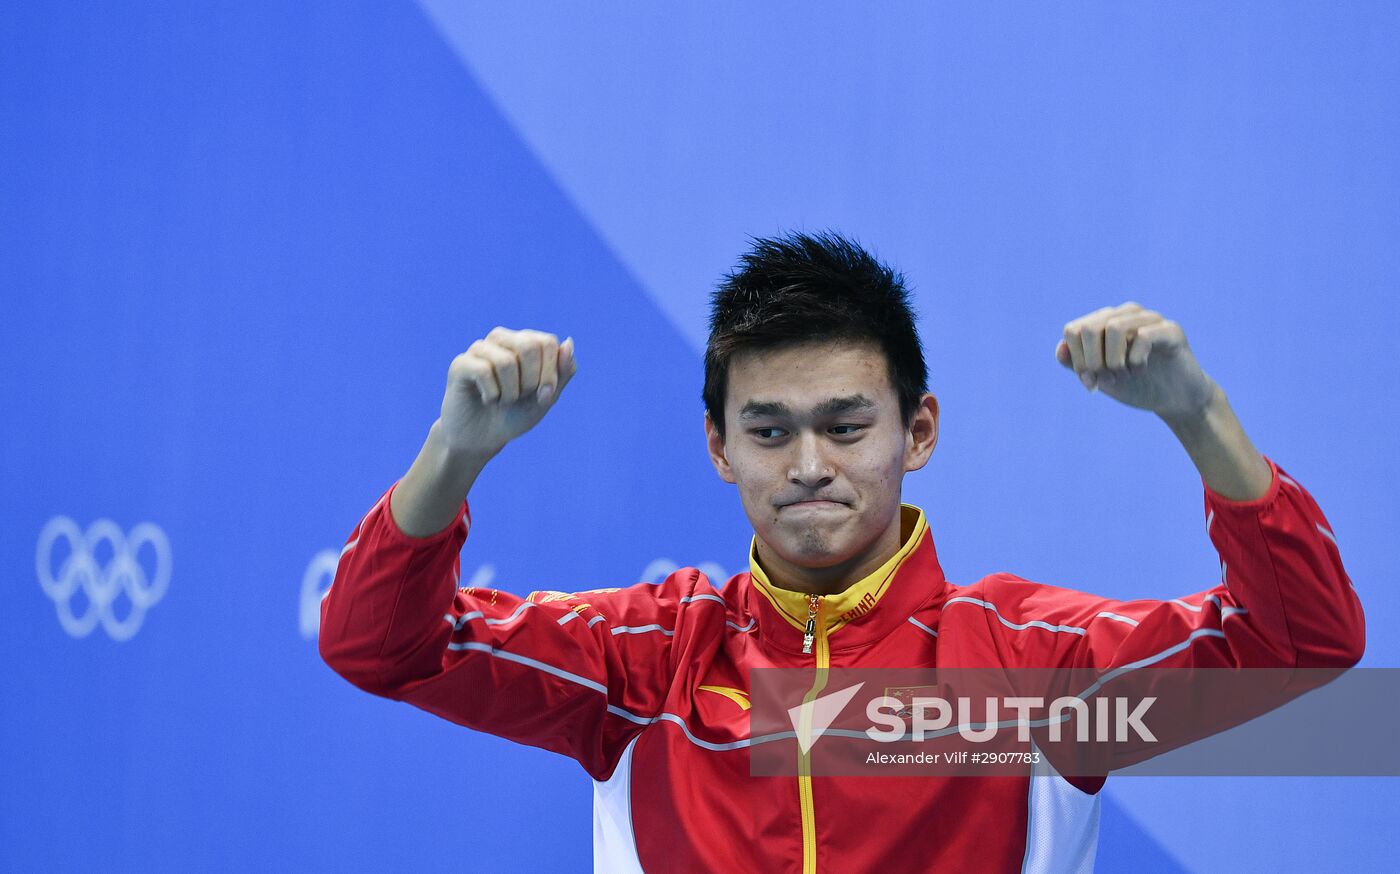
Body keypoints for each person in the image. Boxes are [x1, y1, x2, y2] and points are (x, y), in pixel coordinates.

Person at [319, 232, 1363, 873]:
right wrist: (454, 452)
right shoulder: (642, 659)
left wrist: (1198, 416)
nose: (808, 463)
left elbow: (1302, 643)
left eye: (845, 425)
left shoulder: (1031, 666)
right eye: (768, 430)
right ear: (719, 449)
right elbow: (379, 643)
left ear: (917, 433)